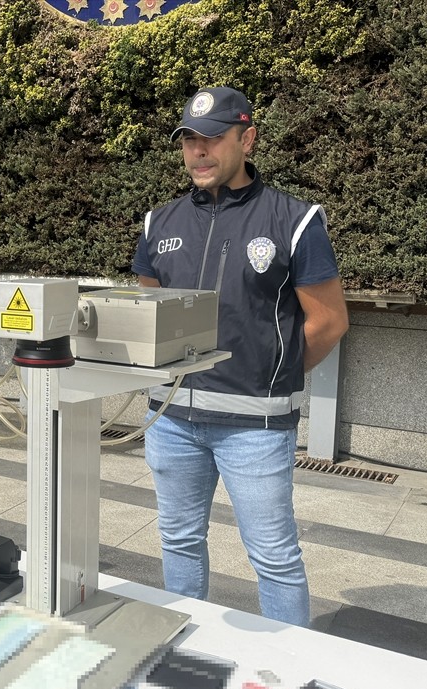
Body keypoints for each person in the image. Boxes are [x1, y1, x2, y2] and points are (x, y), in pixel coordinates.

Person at [132, 87, 349, 627]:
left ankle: (291, 666)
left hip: (255, 426)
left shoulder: (294, 219)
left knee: (273, 558)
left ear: (246, 139)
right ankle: (185, 640)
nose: (198, 152)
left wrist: (274, 377)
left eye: (211, 139)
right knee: (180, 542)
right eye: (189, 141)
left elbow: (329, 321)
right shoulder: (160, 222)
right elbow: (148, 312)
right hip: (170, 420)